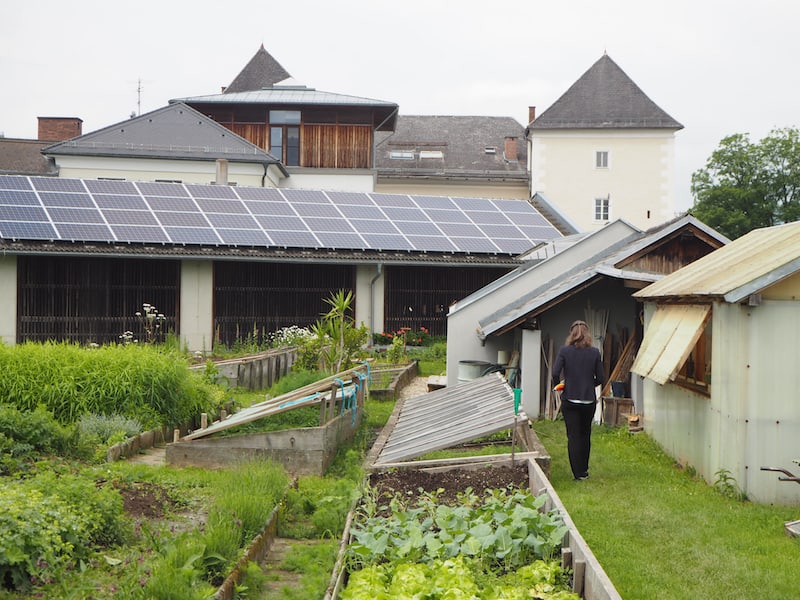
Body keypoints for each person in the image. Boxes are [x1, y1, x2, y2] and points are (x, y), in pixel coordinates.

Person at [552, 320, 605, 481]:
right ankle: (584, 471)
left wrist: (560, 386)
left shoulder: (564, 351)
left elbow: (555, 373)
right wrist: (590, 384)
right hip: (588, 401)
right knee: (585, 434)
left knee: (573, 436)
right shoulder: (595, 352)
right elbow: (601, 378)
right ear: (588, 335)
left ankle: (577, 473)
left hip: (570, 400)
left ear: (571, 334)